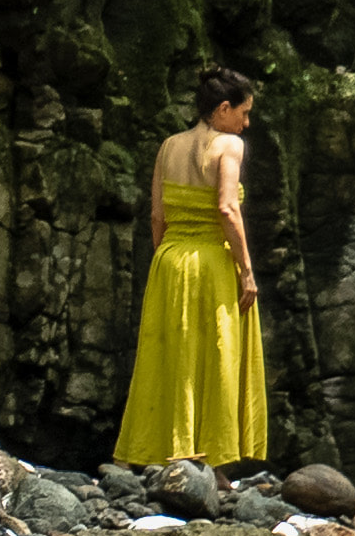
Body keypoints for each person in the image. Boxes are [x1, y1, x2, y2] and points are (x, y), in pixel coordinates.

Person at [114, 66, 270, 465]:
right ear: (223, 108)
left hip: (169, 261)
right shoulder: (229, 145)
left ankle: (162, 453)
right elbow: (227, 208)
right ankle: (211, 461)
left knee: (171, 358)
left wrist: (166, 259)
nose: (246, 123)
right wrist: (246, 271)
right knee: (216, 358)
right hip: (211, 263)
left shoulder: (169, 146)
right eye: (244, 113)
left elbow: (157, 215)